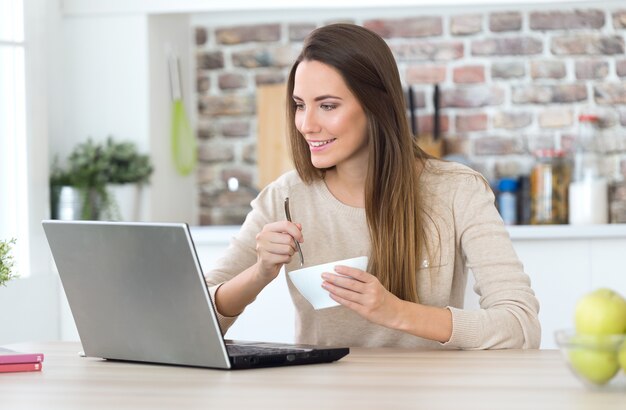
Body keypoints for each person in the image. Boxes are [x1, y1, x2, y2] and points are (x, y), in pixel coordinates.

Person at [205, 23, 541, 349]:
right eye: (299, 105)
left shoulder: (457, 191)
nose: (306, 124)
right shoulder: (285, 197)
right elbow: (196, 318)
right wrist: (259, 273)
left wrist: (396, 312)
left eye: (327, 106)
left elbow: (520, 325)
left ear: (374, 105)